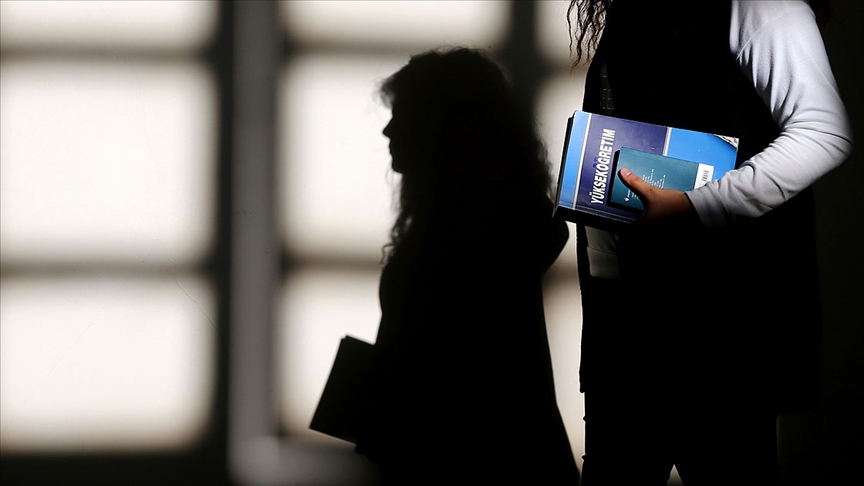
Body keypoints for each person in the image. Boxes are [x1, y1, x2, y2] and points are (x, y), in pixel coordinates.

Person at [567, 0, 854, 484]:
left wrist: (696, 207)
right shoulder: (630, 12)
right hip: (627, 328)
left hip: (722, 336)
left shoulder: (761, 4)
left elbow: (824, 133)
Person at [354, 47, 580, 485]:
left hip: (465, 456)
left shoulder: (478, 231)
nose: (388, 129)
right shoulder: (488, 225)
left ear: (444, 125)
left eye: (403, 115)